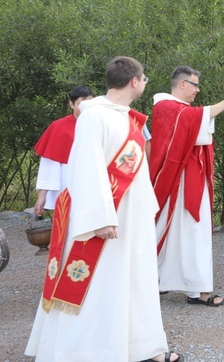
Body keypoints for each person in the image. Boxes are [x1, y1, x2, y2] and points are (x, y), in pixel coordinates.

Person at [25, 57, 182, 362]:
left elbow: (136, 171)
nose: (146, 82)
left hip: (132, 218)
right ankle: (87, 353)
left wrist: (147, 207)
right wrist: (100, 218)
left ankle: (144, 348)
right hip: (106, 219)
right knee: (100, 286)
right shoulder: (94, 116)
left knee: (134, 282)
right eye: (144, 78)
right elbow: (87, 169)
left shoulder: (128, 117)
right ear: (134, 81)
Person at [150, 66, 224, 306]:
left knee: (181, 233)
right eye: (195, 85)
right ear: (182, 84)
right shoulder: (166, 107)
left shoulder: (180, 110)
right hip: (177, 184)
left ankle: (168, 283)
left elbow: (197, 128)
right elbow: (194, 120)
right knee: (187, 232)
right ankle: (195, 290)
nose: (198, 90)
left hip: (186, 181)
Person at [32, 85, 94, 217]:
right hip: (67, 185)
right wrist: (42, 196)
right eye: (81, 103)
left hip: (93, 184)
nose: (86, 107)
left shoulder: (100, 125)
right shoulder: (59, 127)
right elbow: (49, 163)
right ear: (71, 104)